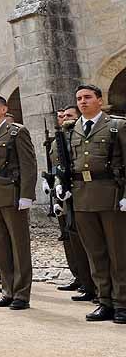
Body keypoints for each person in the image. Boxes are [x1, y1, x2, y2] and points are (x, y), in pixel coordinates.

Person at [57, 85, 126, 324]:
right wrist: (60, 184)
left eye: (87, 97)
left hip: (111, 195)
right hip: (82, 196)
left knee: (118, 252)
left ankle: (122, 302)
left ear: (99, 100)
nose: (83, 102)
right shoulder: (71, 129)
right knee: (95, 252)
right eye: (79, 98)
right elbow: (66, 163)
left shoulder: (117, 126)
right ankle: (104, 300)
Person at [0, 95, 37, 311]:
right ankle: (7, 289)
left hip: (12, 194)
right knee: (0, 246)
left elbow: (28, 165)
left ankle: (21, 294)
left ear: (4, 109)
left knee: (19, 246)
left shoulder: (17, 131)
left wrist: (26, 195)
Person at [51, 105, 97, 302]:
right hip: (65, 194)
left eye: (68, 115)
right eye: (61, 116)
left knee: (90, 244)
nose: (63, 119)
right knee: (72, 241)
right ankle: (84, 281)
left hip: (84, 194)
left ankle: (97, 286)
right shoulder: (59, 138)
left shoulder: (77, 136)